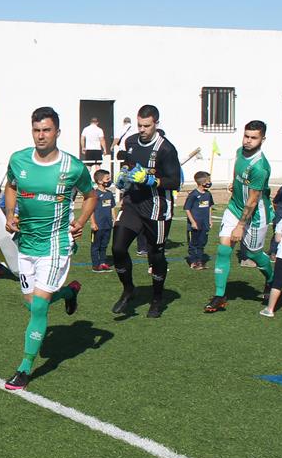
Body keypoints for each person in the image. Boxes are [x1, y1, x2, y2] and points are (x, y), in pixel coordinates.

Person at [1, 107, 97, 391]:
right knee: (31, 304)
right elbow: (11, 186)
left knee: (40, 306)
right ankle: (69, 292)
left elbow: (91, 196)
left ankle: (24, 368)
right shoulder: (18, 160)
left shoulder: (73, 167)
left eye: (46, 130)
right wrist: (9, 214)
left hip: (56, 244)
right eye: (36, 130)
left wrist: (80, 221)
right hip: (26, 243)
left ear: (57, 132)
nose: (41, 136)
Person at [110, 105, 181, 317]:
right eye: (140, 125)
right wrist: (124, 174)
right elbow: (129, 163)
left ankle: (157, 299)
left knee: (155, 254)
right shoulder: (131, 141)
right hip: (133, 202)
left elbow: (175, 181)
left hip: (156, 206)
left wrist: (152, 179)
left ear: (156, 124)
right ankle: (128, 289)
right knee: (118, 248)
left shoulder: (166, 149)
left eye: (147, 126)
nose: (142, 129)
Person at [205, 121, 274, 313]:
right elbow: (237, 170)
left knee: (253, 254)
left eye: (254, 138)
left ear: (263, 139)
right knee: (224, 248)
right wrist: (233, 183)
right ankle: (220, 296)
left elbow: (252, 201)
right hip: (235, 207)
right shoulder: (239, 152)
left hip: (255, 215)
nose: (248, 141)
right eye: (246, 136)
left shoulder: (260, 167)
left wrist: (240, 226)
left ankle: (271, 279)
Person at [183, 171, 213, 269]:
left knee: (202, 243)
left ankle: (200, 262)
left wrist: (210, 220)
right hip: (195, 224)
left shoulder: (208, 194)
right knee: (193, 244)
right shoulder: (193, 195)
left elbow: (209, 207)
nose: (210, 182)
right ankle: (193, 262)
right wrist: (193, 222)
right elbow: (187, 209)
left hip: (204, 224)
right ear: (202, 182)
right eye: (208, 180)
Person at [89, 168, 116, 271]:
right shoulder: (94, 194)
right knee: (96, 245)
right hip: (98, 225)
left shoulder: (109, 193)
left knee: (104, 245)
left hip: (107, 225)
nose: (109, 180)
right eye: (107, 178)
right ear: (100, 181)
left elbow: (112, 207)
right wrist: (93, 222)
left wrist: (114, 220)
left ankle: (103, 262)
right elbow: (90, 210)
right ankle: (95, 265)